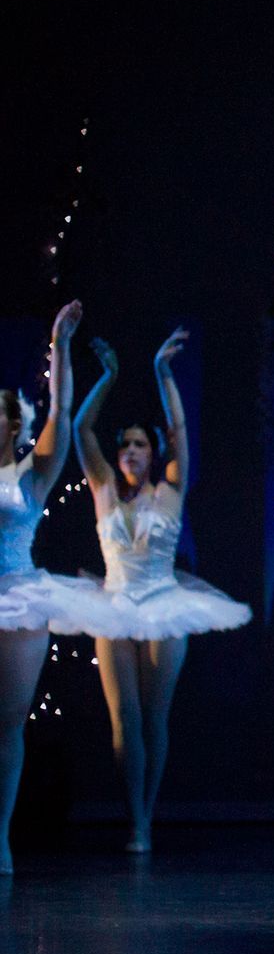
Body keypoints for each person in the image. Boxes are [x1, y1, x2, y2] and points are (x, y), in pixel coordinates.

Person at [64, 329, 251, 853]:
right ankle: (136, 820)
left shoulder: (170, 490)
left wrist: (163, 373)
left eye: (139, 444)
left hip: (163, 604)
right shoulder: (103, 488)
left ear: (152, 453)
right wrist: (108, 377)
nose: (129, 450)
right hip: (115, 603)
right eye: (124, 444)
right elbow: (80, 429)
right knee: (123, 721)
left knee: (153, 717)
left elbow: (180, 433)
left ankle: (146, 816)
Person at [0, 301, 89, 873]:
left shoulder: (33, 475)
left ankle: (0, 837)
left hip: (18, 600)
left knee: (9, 724)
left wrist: (60, 343)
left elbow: (63, 410)